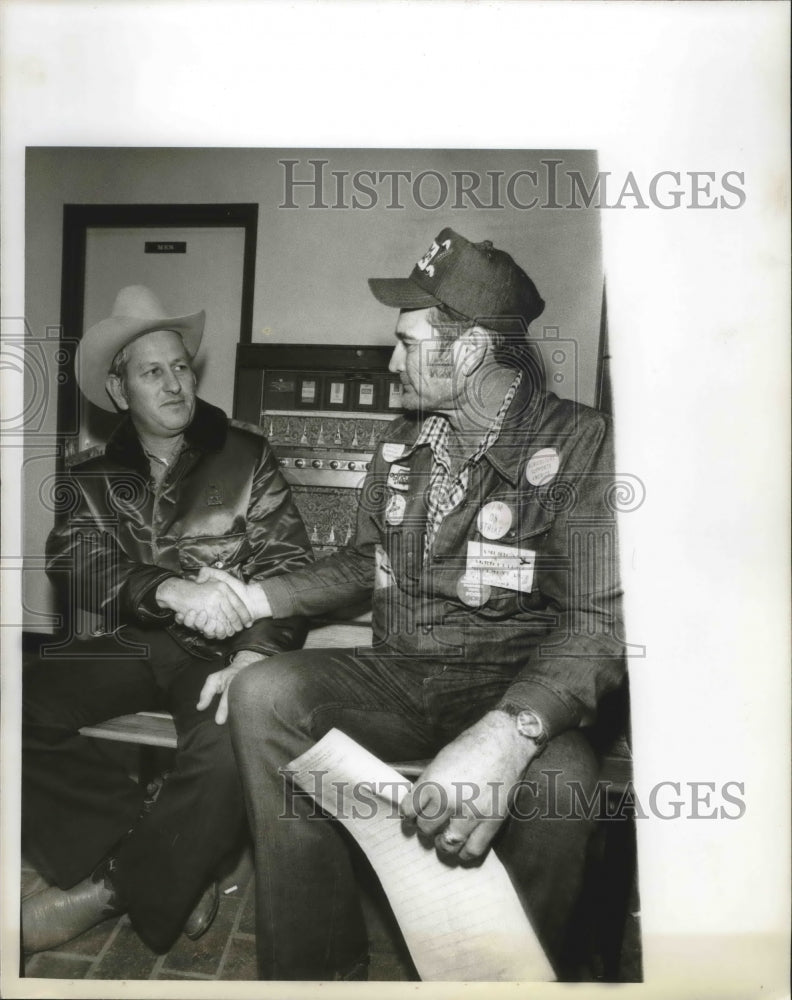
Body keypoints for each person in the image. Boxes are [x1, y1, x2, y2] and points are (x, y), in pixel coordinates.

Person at [188, 229, 626, 981]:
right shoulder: (404, 443)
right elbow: (368, 559)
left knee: (564, 783)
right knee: (265, 693)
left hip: (514, 686)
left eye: (407, 342)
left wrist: (508, 734)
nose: (390, 361)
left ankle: (515, 980)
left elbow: (600, 621)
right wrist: (257, 597)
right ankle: (317, 972)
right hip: (403, 675)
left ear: (470, 349)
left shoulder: (582, 446)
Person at [22, 285, 313, 954]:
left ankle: (119, 888)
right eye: (153, 371)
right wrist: (171, 591)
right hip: (131, 643)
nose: (175, 382)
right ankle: (161, 844)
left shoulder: (247, 456)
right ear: (121, 391)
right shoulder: (90, 475)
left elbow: (289, 567)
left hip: (224, 653)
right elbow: (74, 559)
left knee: (233, 738)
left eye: (180, 365)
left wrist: (254, 653)